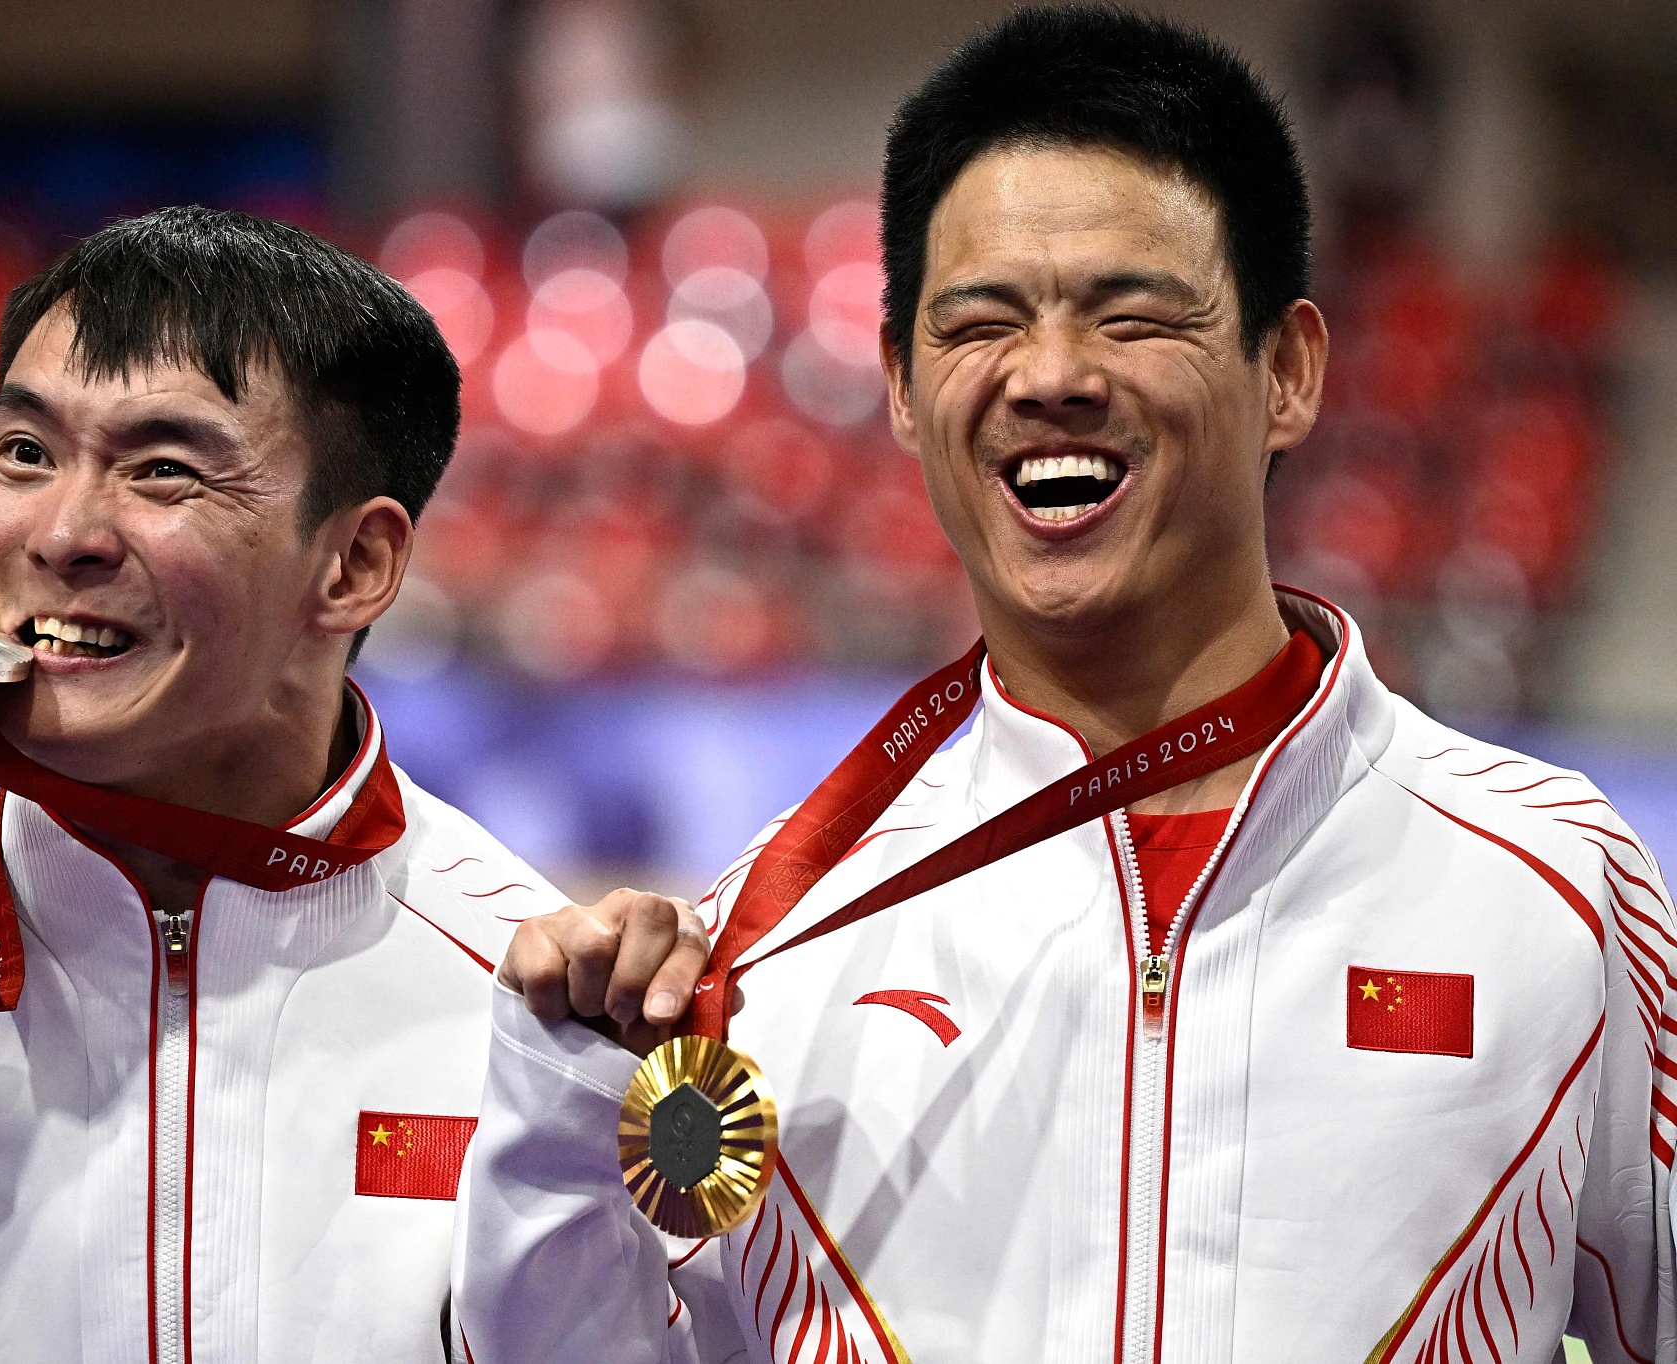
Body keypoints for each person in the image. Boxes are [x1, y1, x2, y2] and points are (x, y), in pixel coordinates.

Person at [456, 10, 1677, 1361]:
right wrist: (555, 1128)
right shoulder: (772, 943)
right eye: (983, 324)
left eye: (1132, 314)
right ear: (908, 393)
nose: (1050, 377)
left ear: (1290, 373)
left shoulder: (1561, 890)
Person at [0, 206, 561, 1362]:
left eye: (163, 470)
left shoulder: (540, 1009)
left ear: (355, 562)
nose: (62, 530)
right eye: (23, 452)